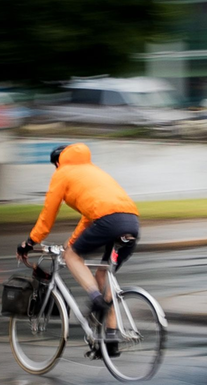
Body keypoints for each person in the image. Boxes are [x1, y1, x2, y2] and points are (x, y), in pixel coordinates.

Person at [16, 143, 140, 353]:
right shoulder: (93, 171)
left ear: (57, 162)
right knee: (103, 275)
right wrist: (72, 242)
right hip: (131, 223)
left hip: (108, 222)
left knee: (72, 257)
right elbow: (89, 216)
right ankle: (110, 340)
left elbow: (48, 215)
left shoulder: (62, 174)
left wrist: (30, 242)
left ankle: (95, 300)